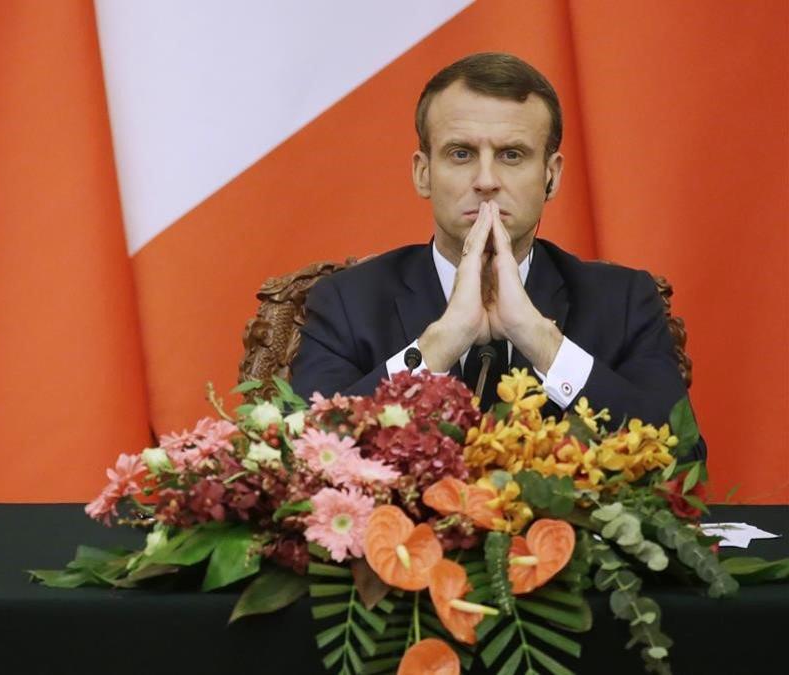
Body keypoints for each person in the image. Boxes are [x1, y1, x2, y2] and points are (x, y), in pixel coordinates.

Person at [290, 52, 704, 460]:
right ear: (423, 173)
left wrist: (543, 343)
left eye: (512, 155)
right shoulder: (346, 301)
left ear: (551, 175)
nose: (486, 180)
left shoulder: (625, 300)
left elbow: (682, 459)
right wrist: (438, 344)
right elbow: (301, 457)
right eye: (461, 153)